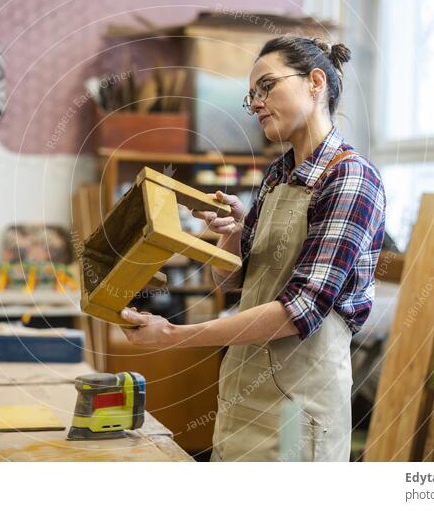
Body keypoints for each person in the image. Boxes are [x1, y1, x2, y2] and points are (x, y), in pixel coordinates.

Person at [121, 36, 386, 461]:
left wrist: (173, 334)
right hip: (245, 390)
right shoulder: (278, 175)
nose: (257, 102)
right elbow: (233, 282)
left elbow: (300, 309)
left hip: (299, 403)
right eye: (251, 96)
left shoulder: (350, 179)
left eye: (266, 86)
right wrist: (234, 236)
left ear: (315, 81)